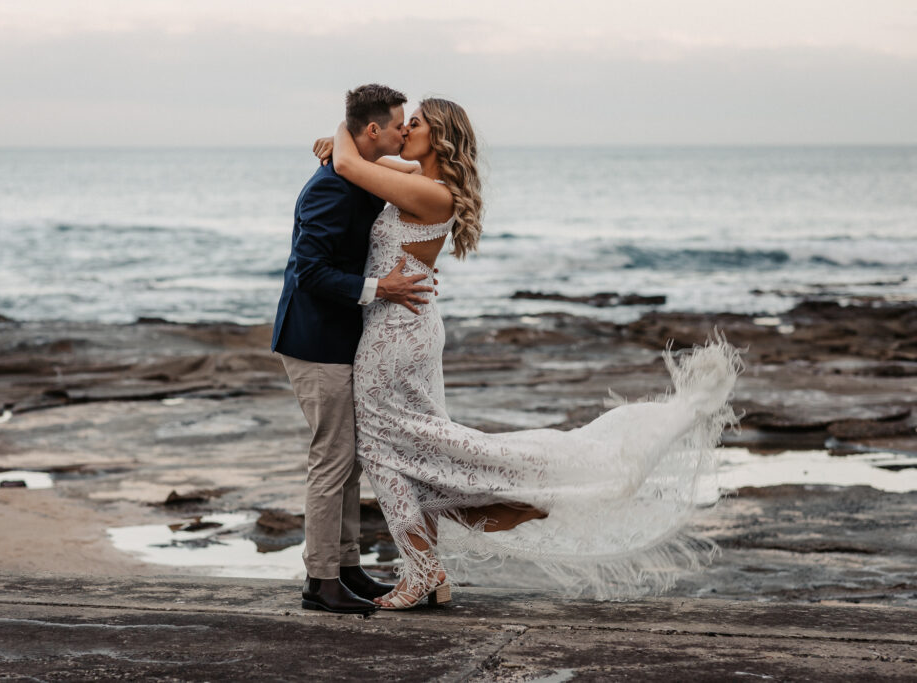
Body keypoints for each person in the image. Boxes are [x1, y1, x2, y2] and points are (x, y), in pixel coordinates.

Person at [315, 97, 741, 609]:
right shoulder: (421, 181)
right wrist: (346, 144)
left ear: (440, 137)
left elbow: (348, 165)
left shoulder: (431, 192)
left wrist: (344, 129)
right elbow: (361, 163)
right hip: (405, 327)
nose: (404, 130)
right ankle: (435, 565)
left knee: (381, 448)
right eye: (403, 124)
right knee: (418, 451)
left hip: (396, 335)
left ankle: (433, 561)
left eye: (416, 124)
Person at [271, 84, 436, 615]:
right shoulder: (332, 188)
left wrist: (336, 137)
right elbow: (309, 271)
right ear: (372, 130)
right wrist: (379, 289)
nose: (404, 131)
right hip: (314, 340)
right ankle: (320, 581)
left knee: (348, 463)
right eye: (398, 125)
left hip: (341, 338)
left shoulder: (358, 172)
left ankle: (345, 566)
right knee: (332, 460)